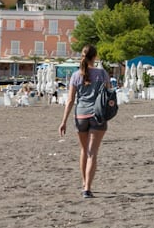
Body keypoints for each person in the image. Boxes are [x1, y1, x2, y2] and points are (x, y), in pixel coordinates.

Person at [59, 44, 111, 199]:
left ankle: (84, 182)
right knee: (92, 152)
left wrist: (63, 121)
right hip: (97, 115)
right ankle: (87, 188)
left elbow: (70, 100)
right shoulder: (102, 74)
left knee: (84, 151)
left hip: (80, 115)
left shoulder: (76, 76)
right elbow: (109, 94)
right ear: (95, 57)